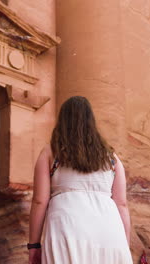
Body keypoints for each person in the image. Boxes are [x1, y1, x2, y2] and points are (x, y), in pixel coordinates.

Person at [28, 96, 133, 264]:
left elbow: (40, 200)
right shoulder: (112, 159)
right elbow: (121, 204)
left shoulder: (51, 153)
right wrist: (124, 246)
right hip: (110, 233)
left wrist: (33, 245)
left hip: (67, 228)